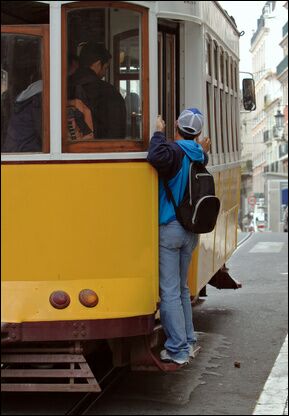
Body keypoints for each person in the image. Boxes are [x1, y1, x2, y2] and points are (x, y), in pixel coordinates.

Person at [147, 108, 211, 365]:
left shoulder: (173, 152)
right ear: (198, 133)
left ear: (177, 127)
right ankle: (188, 338)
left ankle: (177, 349)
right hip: (190, 230)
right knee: (183, 290)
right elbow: (201, 153)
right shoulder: (199, 155)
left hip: (170, 228)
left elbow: (154, 155)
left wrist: (157, 132)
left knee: (170, 291)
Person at [68, 42, 126, 139]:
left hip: (68, 149)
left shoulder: (62, 87)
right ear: (98, 64)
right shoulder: (109, 93)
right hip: (100, 150)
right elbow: (117, 133)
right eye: (105, 68)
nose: (104, 74)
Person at [2, 79, 42, 152]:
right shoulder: (40, 97)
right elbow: (43, 131)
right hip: (25, 150)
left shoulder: (31, 94)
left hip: (13, 149)